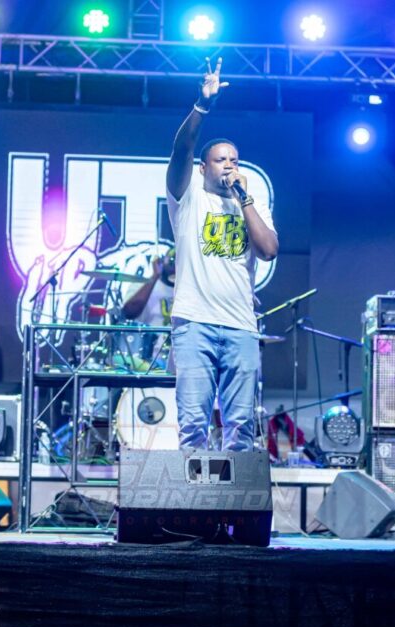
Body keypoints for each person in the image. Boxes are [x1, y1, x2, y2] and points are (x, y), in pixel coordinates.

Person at [165, 57, 279, 451]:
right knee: (193, 424)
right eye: (220, 159)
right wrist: (203, 104)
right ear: (203, 168)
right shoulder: (188, 197)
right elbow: (182, 147)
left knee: (241, 428)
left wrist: (244, 197)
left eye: (234, 159)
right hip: (194, 324)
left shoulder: (251, 202)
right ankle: (192, 493)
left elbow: (268, 250)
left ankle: (235, 495)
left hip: (241, 326)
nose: (229, 164)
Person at [121, 247, 176, 366]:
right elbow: (129, 312)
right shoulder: (142, 284)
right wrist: (154, 276)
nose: (175, 267)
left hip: (177, 358)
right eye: (172, 261)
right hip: (144, 359)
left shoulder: (189, 290)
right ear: (162, 261)